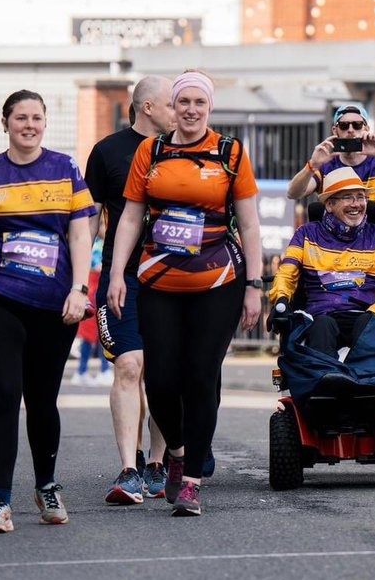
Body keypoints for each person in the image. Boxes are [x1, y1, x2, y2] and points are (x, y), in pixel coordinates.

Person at [107, 70, 263, 517]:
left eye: (199, 102)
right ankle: (175, 451)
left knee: (200, 376)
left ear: (209, 108)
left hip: (218, 282)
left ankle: (192, 477)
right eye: (184, 103)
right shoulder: (150, 150)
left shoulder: (230, 152)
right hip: (158, 282)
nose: (191, 110)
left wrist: (254, 286)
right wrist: (118, 273)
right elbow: (132, 217)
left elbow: (249, 224)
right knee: (160, 380)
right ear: (172, 108)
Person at [0, 90, 95, 533]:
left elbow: (80, 237)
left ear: (45, 123)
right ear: (6, 123)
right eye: (20, 118)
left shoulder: (65, 168)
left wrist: (80, 289)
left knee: (43, 398)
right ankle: (0, 502)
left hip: (54, 304)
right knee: (5, 394)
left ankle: (46, 485)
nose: (29, 125)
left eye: (36, 117)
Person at [85, 75, 174, 504]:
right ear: (148, 107)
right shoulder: (106, 152)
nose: (181, 111)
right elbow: (91, 217)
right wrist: (81, 280)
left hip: (173, 276)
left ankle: (158, 463)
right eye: (172, 103)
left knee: (162, 372)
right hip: (123, 277)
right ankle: (128, 468)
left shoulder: (183, 150)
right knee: (129, 366)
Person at [268, 167, 375, 357]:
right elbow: (286, 274)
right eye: (348, 197)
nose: (356, 204)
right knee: (322, 326)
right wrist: (281, 299)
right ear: (329, 204)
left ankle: (363, 382)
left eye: (361, 197)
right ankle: (327, 379)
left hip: (367, 313)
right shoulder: (306, 234)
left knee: (368, 327)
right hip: (320, 317)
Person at [285, 102, 375, 229]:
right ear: (335, 130)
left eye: (357, 125)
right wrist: (312, 165)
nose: (350, 130)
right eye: (344, 126)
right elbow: (292, 193)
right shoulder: (326, 167)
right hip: (336, 247)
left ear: (366, 129)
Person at [70, 240, 112, 387]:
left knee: (100, 335)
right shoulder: (98, 246)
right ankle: (94, 371)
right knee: (97, 335)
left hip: (96, 292)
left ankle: (94, 370)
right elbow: (100, 268)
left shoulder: (98, 244)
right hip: (94, 293)